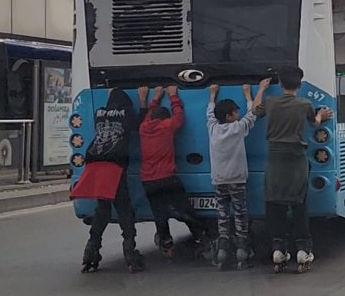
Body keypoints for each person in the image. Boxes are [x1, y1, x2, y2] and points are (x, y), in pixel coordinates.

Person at [253, 66, 333, 273]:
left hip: (275, 157)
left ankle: (278, 249)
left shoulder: (271, 102)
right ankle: (302, 249)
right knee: (298, 204)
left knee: (275, 203)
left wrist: (261, 89)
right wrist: (321, 115)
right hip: (297, 158)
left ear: (280, 83)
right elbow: (314, 123)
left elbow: (254, 110)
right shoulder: (305, 104)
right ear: (299, 85)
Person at [70, 88, 144, 273]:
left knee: (102, 209)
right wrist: (143, 101)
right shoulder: (126, 113)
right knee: (124, 210)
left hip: (95, 164)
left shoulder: (99, 113)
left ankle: (91, 251)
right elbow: (139, 125)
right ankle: (130, 253)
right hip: (114, 166)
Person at [138, 85, 210, 260]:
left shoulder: (143, 128)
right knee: (185, 211)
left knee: (160, 215)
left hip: (148, 181)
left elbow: (148, 115)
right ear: (165, 118)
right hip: (167, 178)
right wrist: (173, 96)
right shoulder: (166, 126)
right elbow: (179, 116)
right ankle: (202, 237)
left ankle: (166, 244)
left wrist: (155, 98)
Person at [207, 83, 260, 270]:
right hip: (237, 180)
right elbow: (252, 114)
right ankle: (242, 252)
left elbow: (210, 114)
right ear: (229, 116)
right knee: (240, 214)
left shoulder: (212, 129)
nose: (238, 114)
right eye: (236, 112)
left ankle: (222, 251)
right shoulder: (238, 128)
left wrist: (212, 95)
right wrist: (248, 95)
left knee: (222, 215)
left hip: (219, 180)